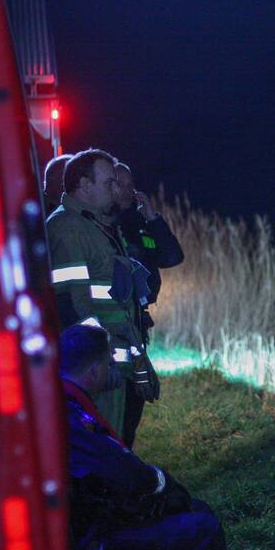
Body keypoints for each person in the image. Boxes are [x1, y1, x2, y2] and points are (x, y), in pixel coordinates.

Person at [60, 324, 228, 550]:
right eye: (107, 364)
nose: (111, 370)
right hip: (90, 546)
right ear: (93, 371)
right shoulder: (70, 414)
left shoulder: (62, 402)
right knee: (202, 529)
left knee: (195, 509)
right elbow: (123, 471)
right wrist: (160, 482)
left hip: (85, 529)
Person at [46, 148, 149, 433]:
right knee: (102, 446)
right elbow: (70, 303)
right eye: (108, 183)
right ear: (85, 186)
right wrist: (99, 360)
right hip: (97, 371)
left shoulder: (96, 225)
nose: (116, 189)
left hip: (111, 365)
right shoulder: (68, 229)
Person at [112, 162, 184, 447]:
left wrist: (152, 217)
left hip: (138, 322)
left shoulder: (139, 223)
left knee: (134, 404)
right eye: (124, 185)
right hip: (118, 324)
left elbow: (172, 257)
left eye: (133, 185)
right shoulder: (107, 227)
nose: (133, 191)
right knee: (123, 400)